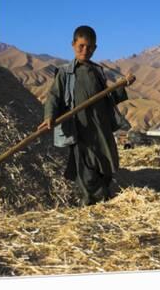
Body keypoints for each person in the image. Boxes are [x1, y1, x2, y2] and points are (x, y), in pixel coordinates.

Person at [37, 26, 135, 206]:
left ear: (95, 48)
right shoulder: (65, 73)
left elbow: (108, 98)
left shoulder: (97, 71)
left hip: (101, 128)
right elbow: (54, 96)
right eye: (81, 46)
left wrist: (123, 85)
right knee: (86, 172)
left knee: (106, 166)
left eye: (89, 47)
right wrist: (49, 116)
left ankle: (103, 198)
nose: (85, 50)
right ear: (73, 45)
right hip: (81, 130)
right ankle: (90, 205)